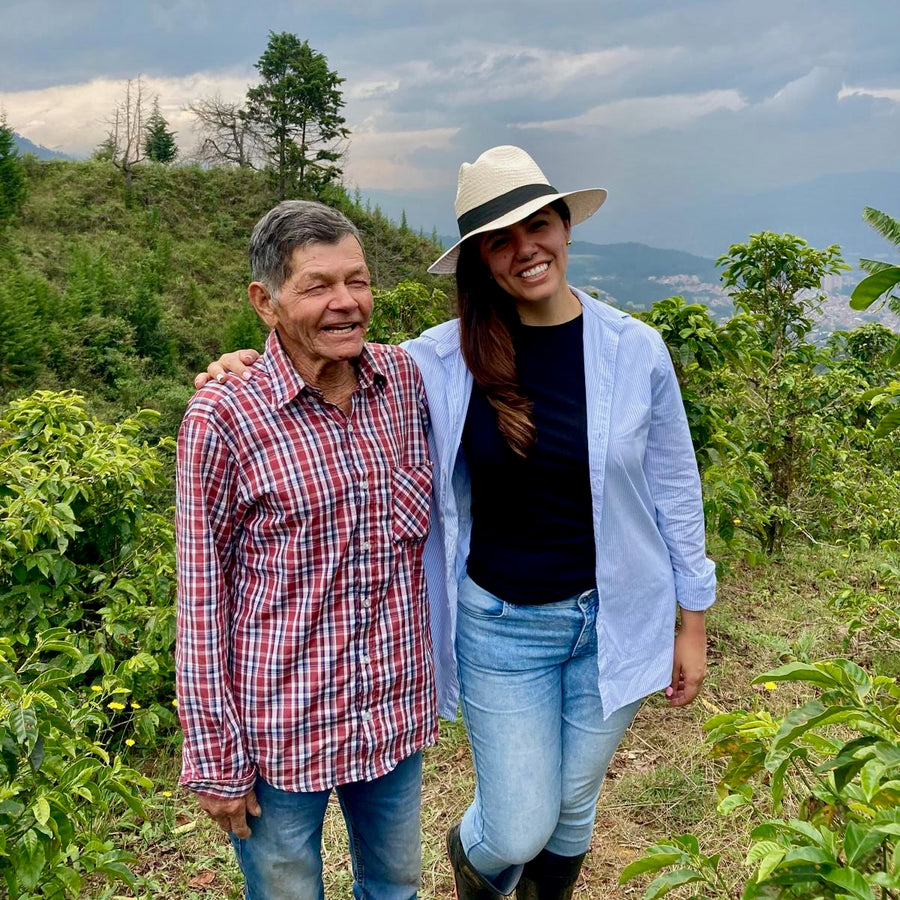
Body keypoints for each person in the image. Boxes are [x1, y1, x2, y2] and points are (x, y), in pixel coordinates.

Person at [201, 146, 716, 900]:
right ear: (479, 261)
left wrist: (692, 620)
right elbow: (329, 355)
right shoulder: (435, 363)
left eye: (537, 226)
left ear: (565, 227)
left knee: (573, 804)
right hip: (502, 626)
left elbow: (676, 486)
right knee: (515, 827)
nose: (524, 250)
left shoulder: (634, 350)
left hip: (616, 615)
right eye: (499, 241)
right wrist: (240, 364)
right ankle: (476, 864)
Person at [176, 199, 437, 900]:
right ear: (266, 303)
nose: (346, 302)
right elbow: (202, 597)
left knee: (397, 888)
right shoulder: (222, 416)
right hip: (279, 731)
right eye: (317, 285)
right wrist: (214, 754)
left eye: (357, 280)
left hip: (390, 710)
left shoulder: (403, 383)